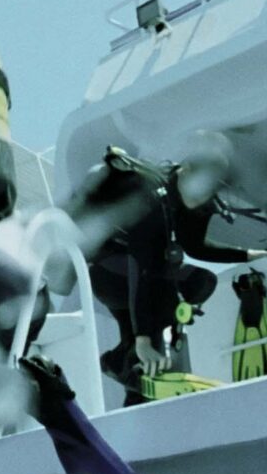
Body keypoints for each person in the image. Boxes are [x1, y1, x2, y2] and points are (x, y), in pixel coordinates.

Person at [70, 146, 241, 404]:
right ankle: (123, 358)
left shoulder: (184, 199)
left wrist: (249, 254)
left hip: (124, 275)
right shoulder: (152, 196)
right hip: (114, 273)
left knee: (146, 367)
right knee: (198, 281)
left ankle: (132, 391)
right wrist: (143, 337)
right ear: (185, 171)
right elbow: (142, 267)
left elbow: (195, 246)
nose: (204, 194)